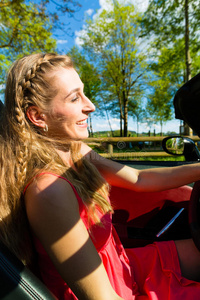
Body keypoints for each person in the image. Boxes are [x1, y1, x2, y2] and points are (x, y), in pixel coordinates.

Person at [1, 53, 200, 300]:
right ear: (38, 117)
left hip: (121, 266)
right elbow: (102, 297)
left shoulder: (77, 152)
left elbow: (139, 179)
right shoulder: (49, 191)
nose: (91, 105)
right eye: (75, 98)